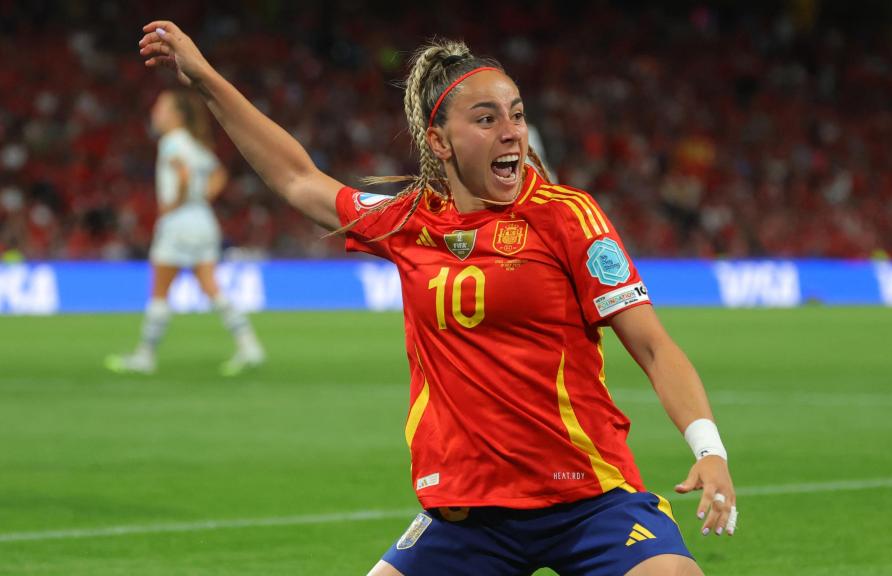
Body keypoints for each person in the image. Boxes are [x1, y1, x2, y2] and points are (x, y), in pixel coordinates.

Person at [139, 21, 738, 575]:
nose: (510, 131)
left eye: (517, 114)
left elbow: (655, 348)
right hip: (468, 519)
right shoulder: (409, 222)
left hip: (587, 500)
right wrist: (205, 79)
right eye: (485, 118)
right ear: (440, 141)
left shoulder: (568, 217)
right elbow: (299, 178)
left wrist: (709, 450)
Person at [106, 89, 264, 376]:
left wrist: (175, 202)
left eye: (160, 108)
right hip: (203, 220)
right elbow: (219, 174)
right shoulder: (195, 144)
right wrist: (201, 198)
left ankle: (145, 356)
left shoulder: (171, 143)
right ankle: (249, 345)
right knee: (211, 287)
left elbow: (183, 176)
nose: (155, 113)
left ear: (176, 116)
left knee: (160, 291)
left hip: (178, 222)